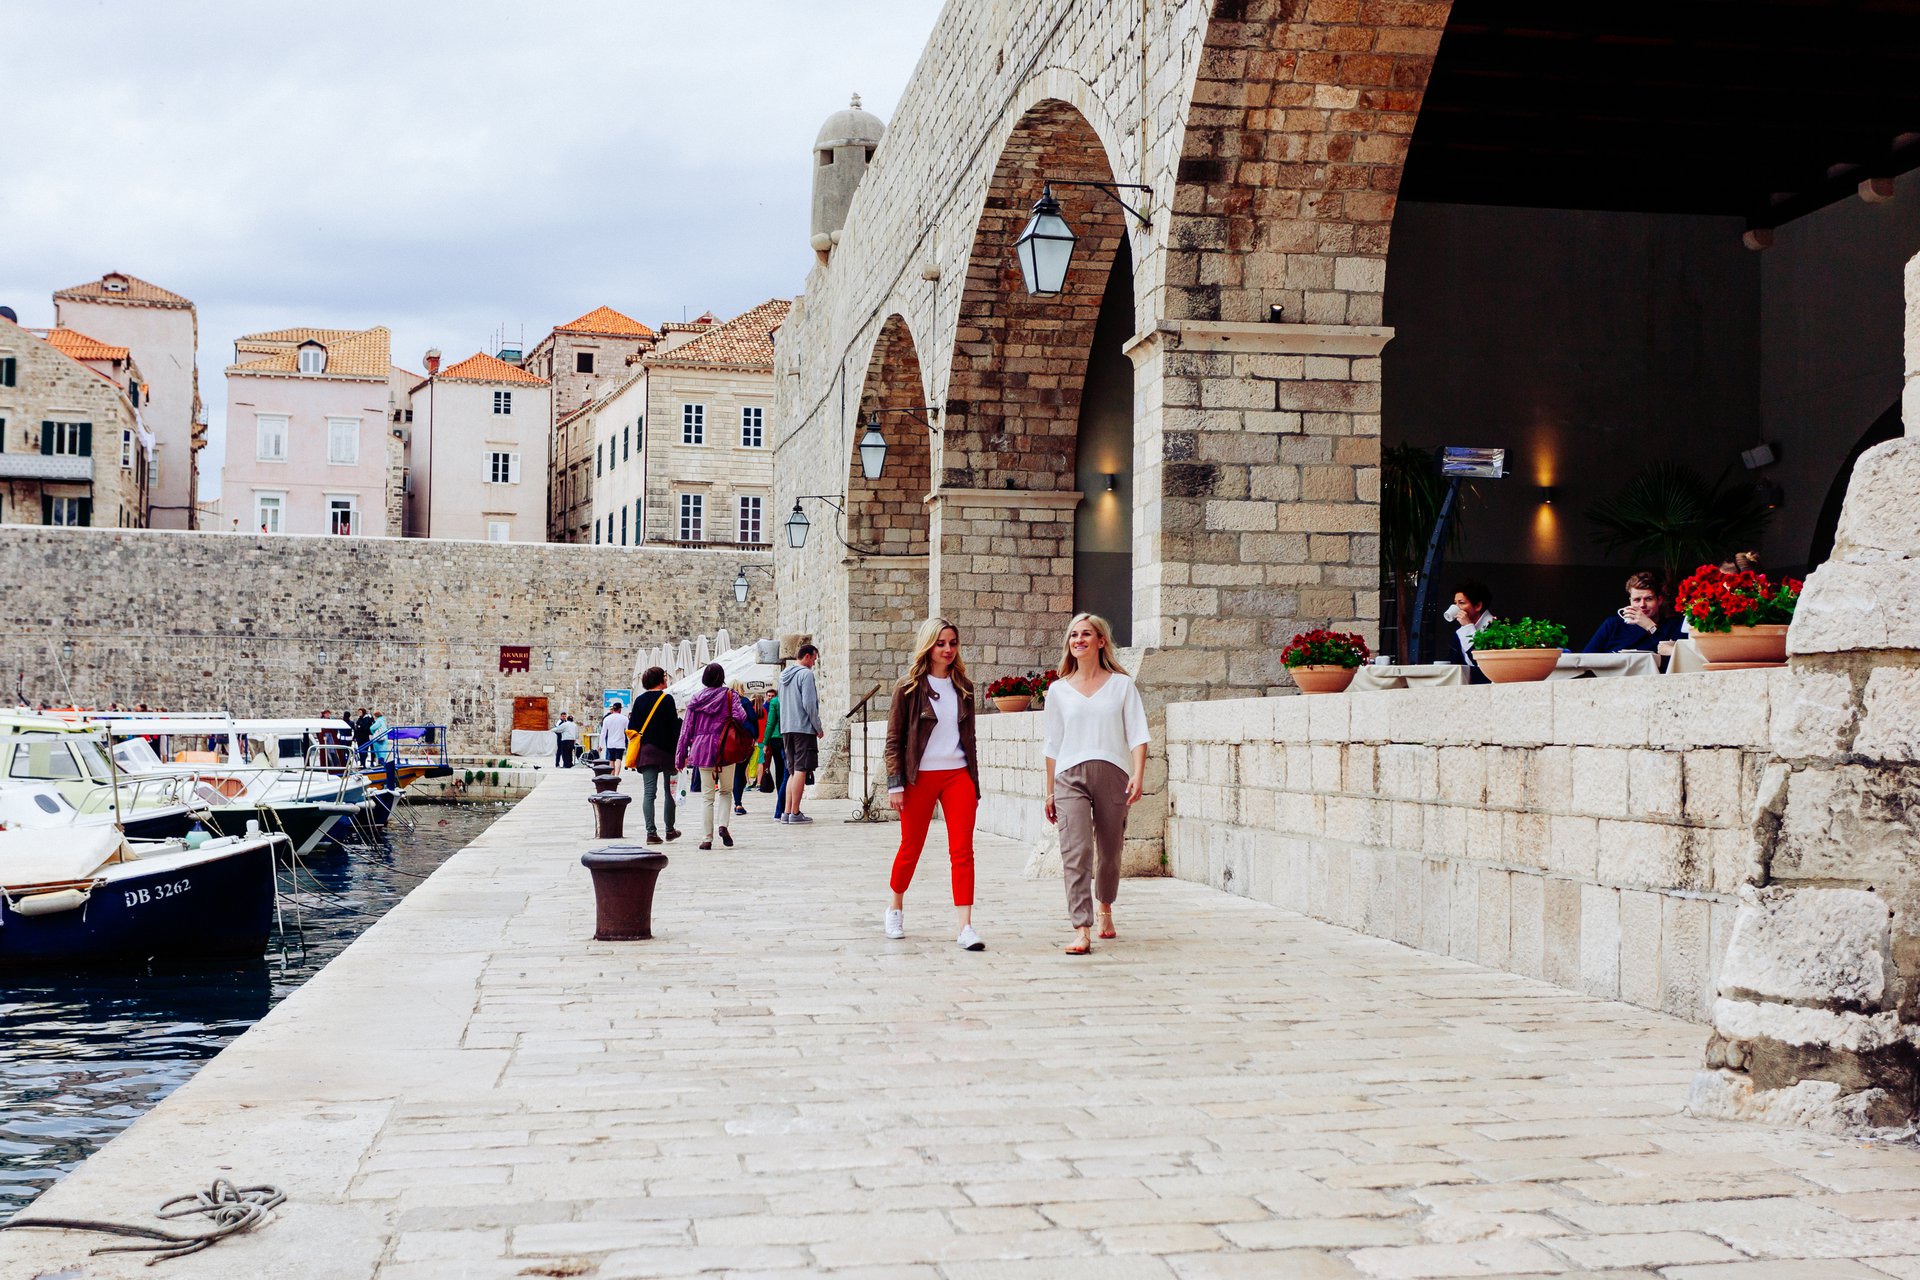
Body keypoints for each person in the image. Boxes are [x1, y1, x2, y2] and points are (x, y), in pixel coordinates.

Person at [1044, 612, 1150, 956]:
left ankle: (1105, 907)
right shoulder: (1058, 690)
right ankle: (1082, 928)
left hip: (1114, 772)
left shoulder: (1122, 685)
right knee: (1076, 851)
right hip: (1069, 776)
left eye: (1086, 634)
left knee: (1110, 851)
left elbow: (1137, 733)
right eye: (1074, 635)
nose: (1079, 640)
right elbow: (1052, 745)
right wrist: (1049, 790)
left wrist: (1138, 774)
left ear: (1100, 641)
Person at [882, 618, 984, 951]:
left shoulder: (964, 687)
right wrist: (895, 784)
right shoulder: (909, 687)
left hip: (958, 775)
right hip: (918, 778)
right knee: (911, 847)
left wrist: (975, 784)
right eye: (941, 643)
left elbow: (969, 740)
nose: (948, 649)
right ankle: (895, 908)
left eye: (953, 643)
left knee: (962, 851)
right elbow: (894, 739)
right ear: (929, 645)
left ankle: (965, 926)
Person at [675, 663, 753, 850]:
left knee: (707, 797)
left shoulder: (696, 699)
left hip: (702, 750)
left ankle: (706, 838)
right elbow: (741, 717)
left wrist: (680, 755)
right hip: (726, 747)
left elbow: (686, 731)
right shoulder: (729, 695)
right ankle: (723, 825)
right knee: (726, 791)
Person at [629, 669, 682, 843]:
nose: (666, 679)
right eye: (665, 677)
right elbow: (674, 728)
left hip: (647, 751)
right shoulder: (666, 699)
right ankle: (669, 829)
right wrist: (680, 752)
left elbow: (633, 727)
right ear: (659, 679)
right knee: (669, 792)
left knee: (649, 793)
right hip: (667, 751)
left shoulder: (639, 700)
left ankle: (651, 832)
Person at [1583, 569, 1683, 653]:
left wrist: (1650, 627)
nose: (1642, 605)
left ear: (1659, 600)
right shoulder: (1613, 625)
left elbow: (1675, 658)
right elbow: (1585, 657)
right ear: (1630, 601)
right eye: (1637, 600)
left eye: (1648, 599)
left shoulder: (1674, 626)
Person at [778, 644, 823, 824]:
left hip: (786, 727)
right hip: (803, 728)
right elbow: (809, 704)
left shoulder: (783, 676)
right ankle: (795, 812)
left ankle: (787, 811)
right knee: (801, 769)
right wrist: (818, 727)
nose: (813, 663)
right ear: (806, 656)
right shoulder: (806, 675)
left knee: (791, 771)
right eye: (813, 659)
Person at [1443, 580, 1497, 683]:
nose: (1457, 608)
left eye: (1461, 603)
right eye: (1455, 603)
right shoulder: (1460, 632)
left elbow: (1483, 663)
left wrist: (1468, 626)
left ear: (1478, 606)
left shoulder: (1496, 627)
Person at [730, 683, 760, 816]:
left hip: (728, 742)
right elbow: (753, 718)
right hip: (744, 741)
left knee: (733, 772)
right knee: (740, 771)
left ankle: (735, 801)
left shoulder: (725, 702)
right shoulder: (745, 701)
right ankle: (738, 803)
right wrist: (756, 735)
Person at [760, 687, 788, 821]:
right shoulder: (790, 699)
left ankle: (781, 805)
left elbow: (770, 723)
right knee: (788, 773)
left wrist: (765, 742)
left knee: (780, 772)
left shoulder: (775, 702)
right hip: (788, 737)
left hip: (776, 739)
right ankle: (784, 806)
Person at [600, 701, 629, 770]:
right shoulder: (625, 719)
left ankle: (612, 776)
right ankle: (616, 775)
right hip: (620, 742)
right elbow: (628, 731)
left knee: (611, 760)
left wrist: (601, 745)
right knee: (619, 759)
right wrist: (630, 742)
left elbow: (603, 732)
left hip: (610, 743)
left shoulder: (607, 719)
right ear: (620, 709)